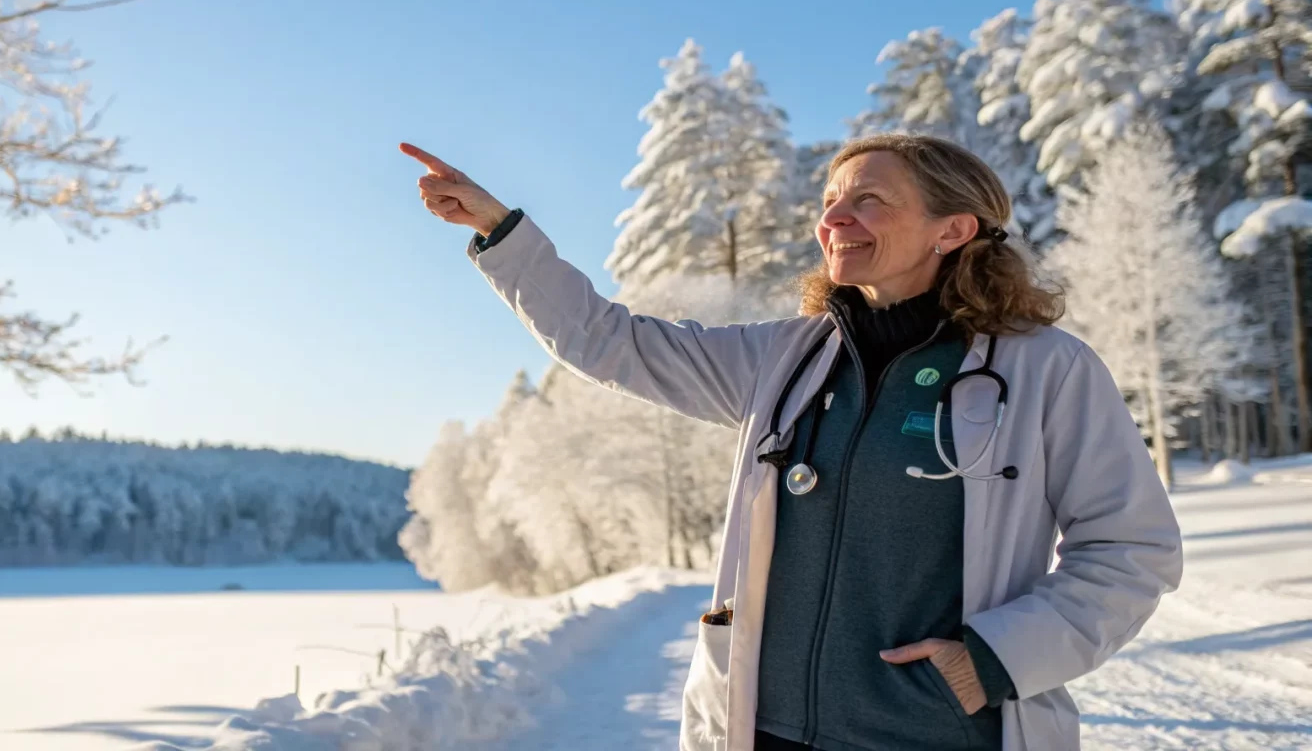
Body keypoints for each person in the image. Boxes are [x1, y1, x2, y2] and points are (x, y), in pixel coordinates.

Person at [401, 134, 1182, 751]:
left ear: (954, 228)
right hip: (761, 729)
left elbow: (1131, 550)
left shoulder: (1046, 369)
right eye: (832, 201)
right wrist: (500, 232)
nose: (833, 219)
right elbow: (613, 343)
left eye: (869, 201)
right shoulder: (787, 357)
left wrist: (988, 662)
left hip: (936, 734)